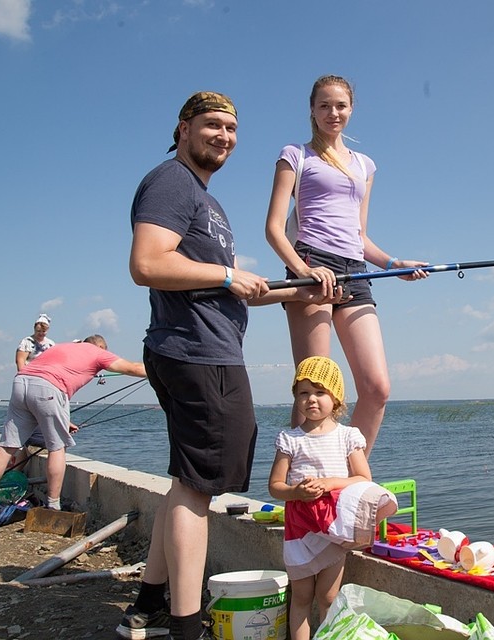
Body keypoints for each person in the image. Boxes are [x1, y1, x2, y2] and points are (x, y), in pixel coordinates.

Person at [117, 91, 345, 640]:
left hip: (198, 348)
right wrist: (225, 276)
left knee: (186, 482)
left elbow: (233, 289)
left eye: (231, 129)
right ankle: (187, 625)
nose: (223, 136)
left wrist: (295, 286)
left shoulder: (206, 202)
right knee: (198, 491)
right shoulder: (171, 181)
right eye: (212, 125)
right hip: (198, 354)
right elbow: (147, 264)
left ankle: (147, 603)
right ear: (183, 128)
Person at [264, 74, 428, 455]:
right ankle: (299, 489)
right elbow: (274, 229)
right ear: (312, 111)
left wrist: (393, 264)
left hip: (355, 271)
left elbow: (359, 236)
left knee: (376, 388)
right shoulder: (296, 155)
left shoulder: (364, 166)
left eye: (340, 105)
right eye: (324, 105)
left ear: (351, 109)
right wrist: (303, 273)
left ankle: (347, 477)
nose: (332, 112)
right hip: (311, 265)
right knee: (313, 390)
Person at [268, 356, 397, 640]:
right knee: (301, 596)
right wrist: (296, 493)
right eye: (303, 392)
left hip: (333, 526)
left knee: (328, 596)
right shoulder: (290, 439)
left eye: (320, 392)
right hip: (299, 526)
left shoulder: (348, 437)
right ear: (295, 398)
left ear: (335, 398)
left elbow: (364, 478)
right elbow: (275, 486)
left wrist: (330, 484)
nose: (311, 399)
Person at [0, 335, 147, 518]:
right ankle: (53, 506)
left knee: (7, 445)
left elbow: (41, 391)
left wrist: (63, 419)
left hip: (21, 382)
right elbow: (133, 368)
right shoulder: (97, 352)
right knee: (56, 447)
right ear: (101, 346)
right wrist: (165, 370)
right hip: (49, 388)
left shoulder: (62, 347)